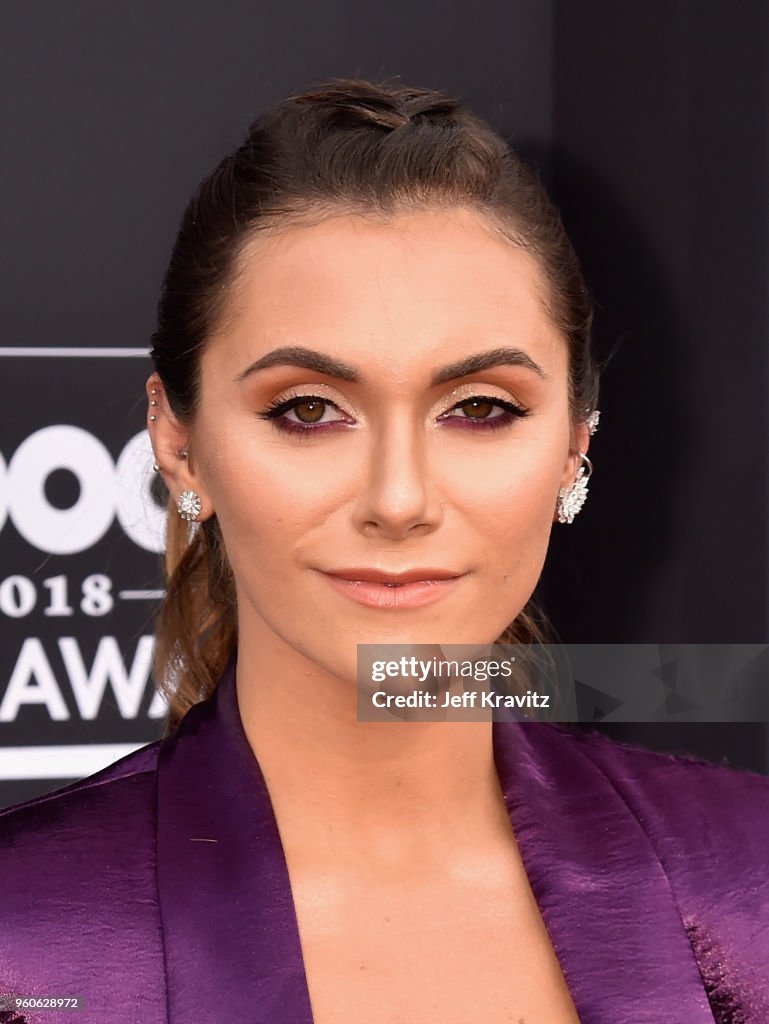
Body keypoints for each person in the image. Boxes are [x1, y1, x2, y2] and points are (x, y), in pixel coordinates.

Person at [1, 76, 768, 1024]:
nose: (398, 499)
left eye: (480, 408)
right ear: (178, 443)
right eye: (308, 410)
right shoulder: (22, 940)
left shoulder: (749, 878)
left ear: (574, 441)